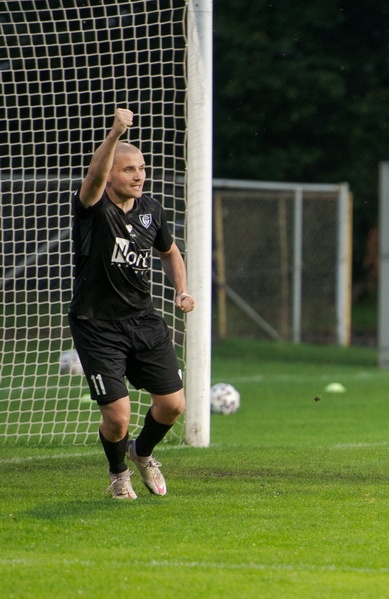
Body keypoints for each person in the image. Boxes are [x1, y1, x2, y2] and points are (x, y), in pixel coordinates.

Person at [68, 108, 195, 500]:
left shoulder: (151, 211)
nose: (139, 175)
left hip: (143, 320)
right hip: (96, 325)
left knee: (174, 405)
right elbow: (93, 178)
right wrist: (115, 133)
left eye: (141, 168)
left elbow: (170, 252)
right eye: (128, 170)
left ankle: (143, 453)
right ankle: (118, 472)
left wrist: (181, 289)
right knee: (118, 417)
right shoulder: (93, 208)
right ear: (111, 175)